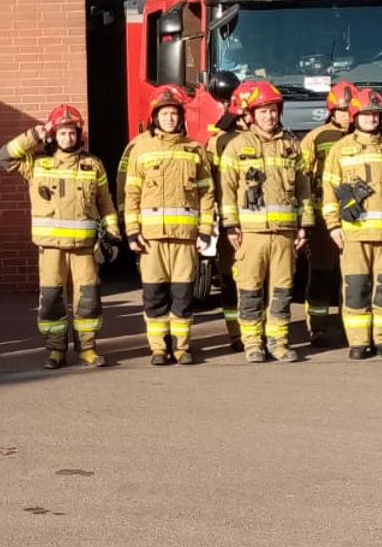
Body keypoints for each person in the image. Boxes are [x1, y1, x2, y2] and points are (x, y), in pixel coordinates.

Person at [0, 105, 121, 369]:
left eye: (72, 132)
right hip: (51, 249)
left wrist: (112, 233)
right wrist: (34, 135)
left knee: (88, 299)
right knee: (52, 300)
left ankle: (88, 349)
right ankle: (55, 351)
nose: (68, 138)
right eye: (62, 133)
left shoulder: (92, 165)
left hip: (84, 248)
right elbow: (4, 157)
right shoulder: (38, 164)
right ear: (54, 135)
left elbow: (105, 202)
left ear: (79, 134)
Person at [218, 81, 312, 362]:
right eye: (263, 112)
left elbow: (304, 190)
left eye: (273, 111)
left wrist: (304, 225)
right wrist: (230, 226)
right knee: (250, 290)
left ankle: (279, 342)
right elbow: (227, 190)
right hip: (251, 234)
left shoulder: (291, 146)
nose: (270, 116)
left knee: (282, 291)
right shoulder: (236, 147)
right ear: (250, 116)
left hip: (284, 234)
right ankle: (252, 343)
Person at [123, 85, 216, 366]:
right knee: (154, 296)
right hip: (151, 239)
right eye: (164, 114)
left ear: (181, 117)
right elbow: (131, 195)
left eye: (174, 114)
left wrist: (205, 230)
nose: (170, 119)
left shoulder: (195, 151)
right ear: (155, 117)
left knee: (183, 296)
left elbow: (207, 193)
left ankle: (182, 347)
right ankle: (158, 349)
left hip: (186, 238)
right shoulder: (141, 149)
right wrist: (132, 232)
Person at [323, 89, 382, 360]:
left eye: (375, 114)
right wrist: (333, 225)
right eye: (366, 114)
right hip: (353, 234)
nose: (371, 119)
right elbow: (329, 189)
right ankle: (359, 342)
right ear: (354, 117)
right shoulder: (340, 150)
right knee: (356, 288)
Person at [298, 81, 358, 345]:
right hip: (325, 215)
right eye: (342, 110)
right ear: (332, 111)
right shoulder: (317, 137)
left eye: (350, 110)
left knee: (354, 276)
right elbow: (304, 176)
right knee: (322, 272)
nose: (347, 116)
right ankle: (318, 327)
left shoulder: (367, 138)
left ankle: (352, 327)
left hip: (358, 217)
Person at [200, 71, 248, 351]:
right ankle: (235, 332)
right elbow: (213, 185)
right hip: (233, 221)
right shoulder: (219, 141)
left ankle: (257, 332)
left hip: (261, 223)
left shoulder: (271, 141)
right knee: (232, 278)